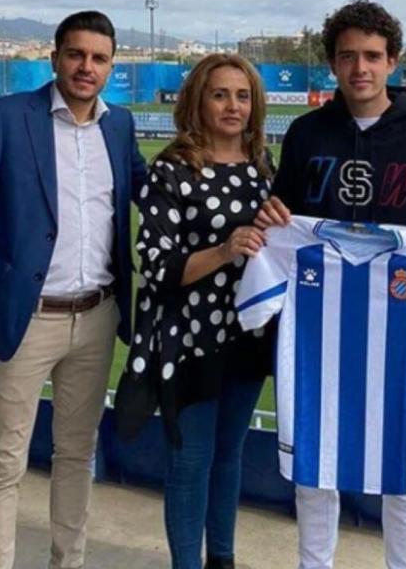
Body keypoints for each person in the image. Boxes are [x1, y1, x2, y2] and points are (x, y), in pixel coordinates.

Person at [0, 11, 146, 569]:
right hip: (25, 318)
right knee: (5, 462)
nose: (86, 67)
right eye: (76, 54)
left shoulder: (119, 125)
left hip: (98, 318)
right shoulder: (6, 117)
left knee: (77, 455)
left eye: (99, 58)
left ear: (112, 66)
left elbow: (152, 194)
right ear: (55, 56)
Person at [254, 0, 406, 568]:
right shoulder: (305, 134)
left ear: (393, 61)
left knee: (405, 470)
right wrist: (273, 216)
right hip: (318, 327)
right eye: (347, 56)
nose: (360, 68)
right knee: (314, 465)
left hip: (402, 327)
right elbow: (284, 217)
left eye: (372, 56)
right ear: (332, 63)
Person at [113, 54, 273, 569]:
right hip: (189, 340)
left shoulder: (263, 165)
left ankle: (222, 559)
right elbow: (156, 265)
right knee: (191, 461)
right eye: (220, 94)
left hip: (247, 334)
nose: (233, 106)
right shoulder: (172, 169)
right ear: (197, 101)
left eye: (242, 96)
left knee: (229, 455)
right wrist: (225, 250)